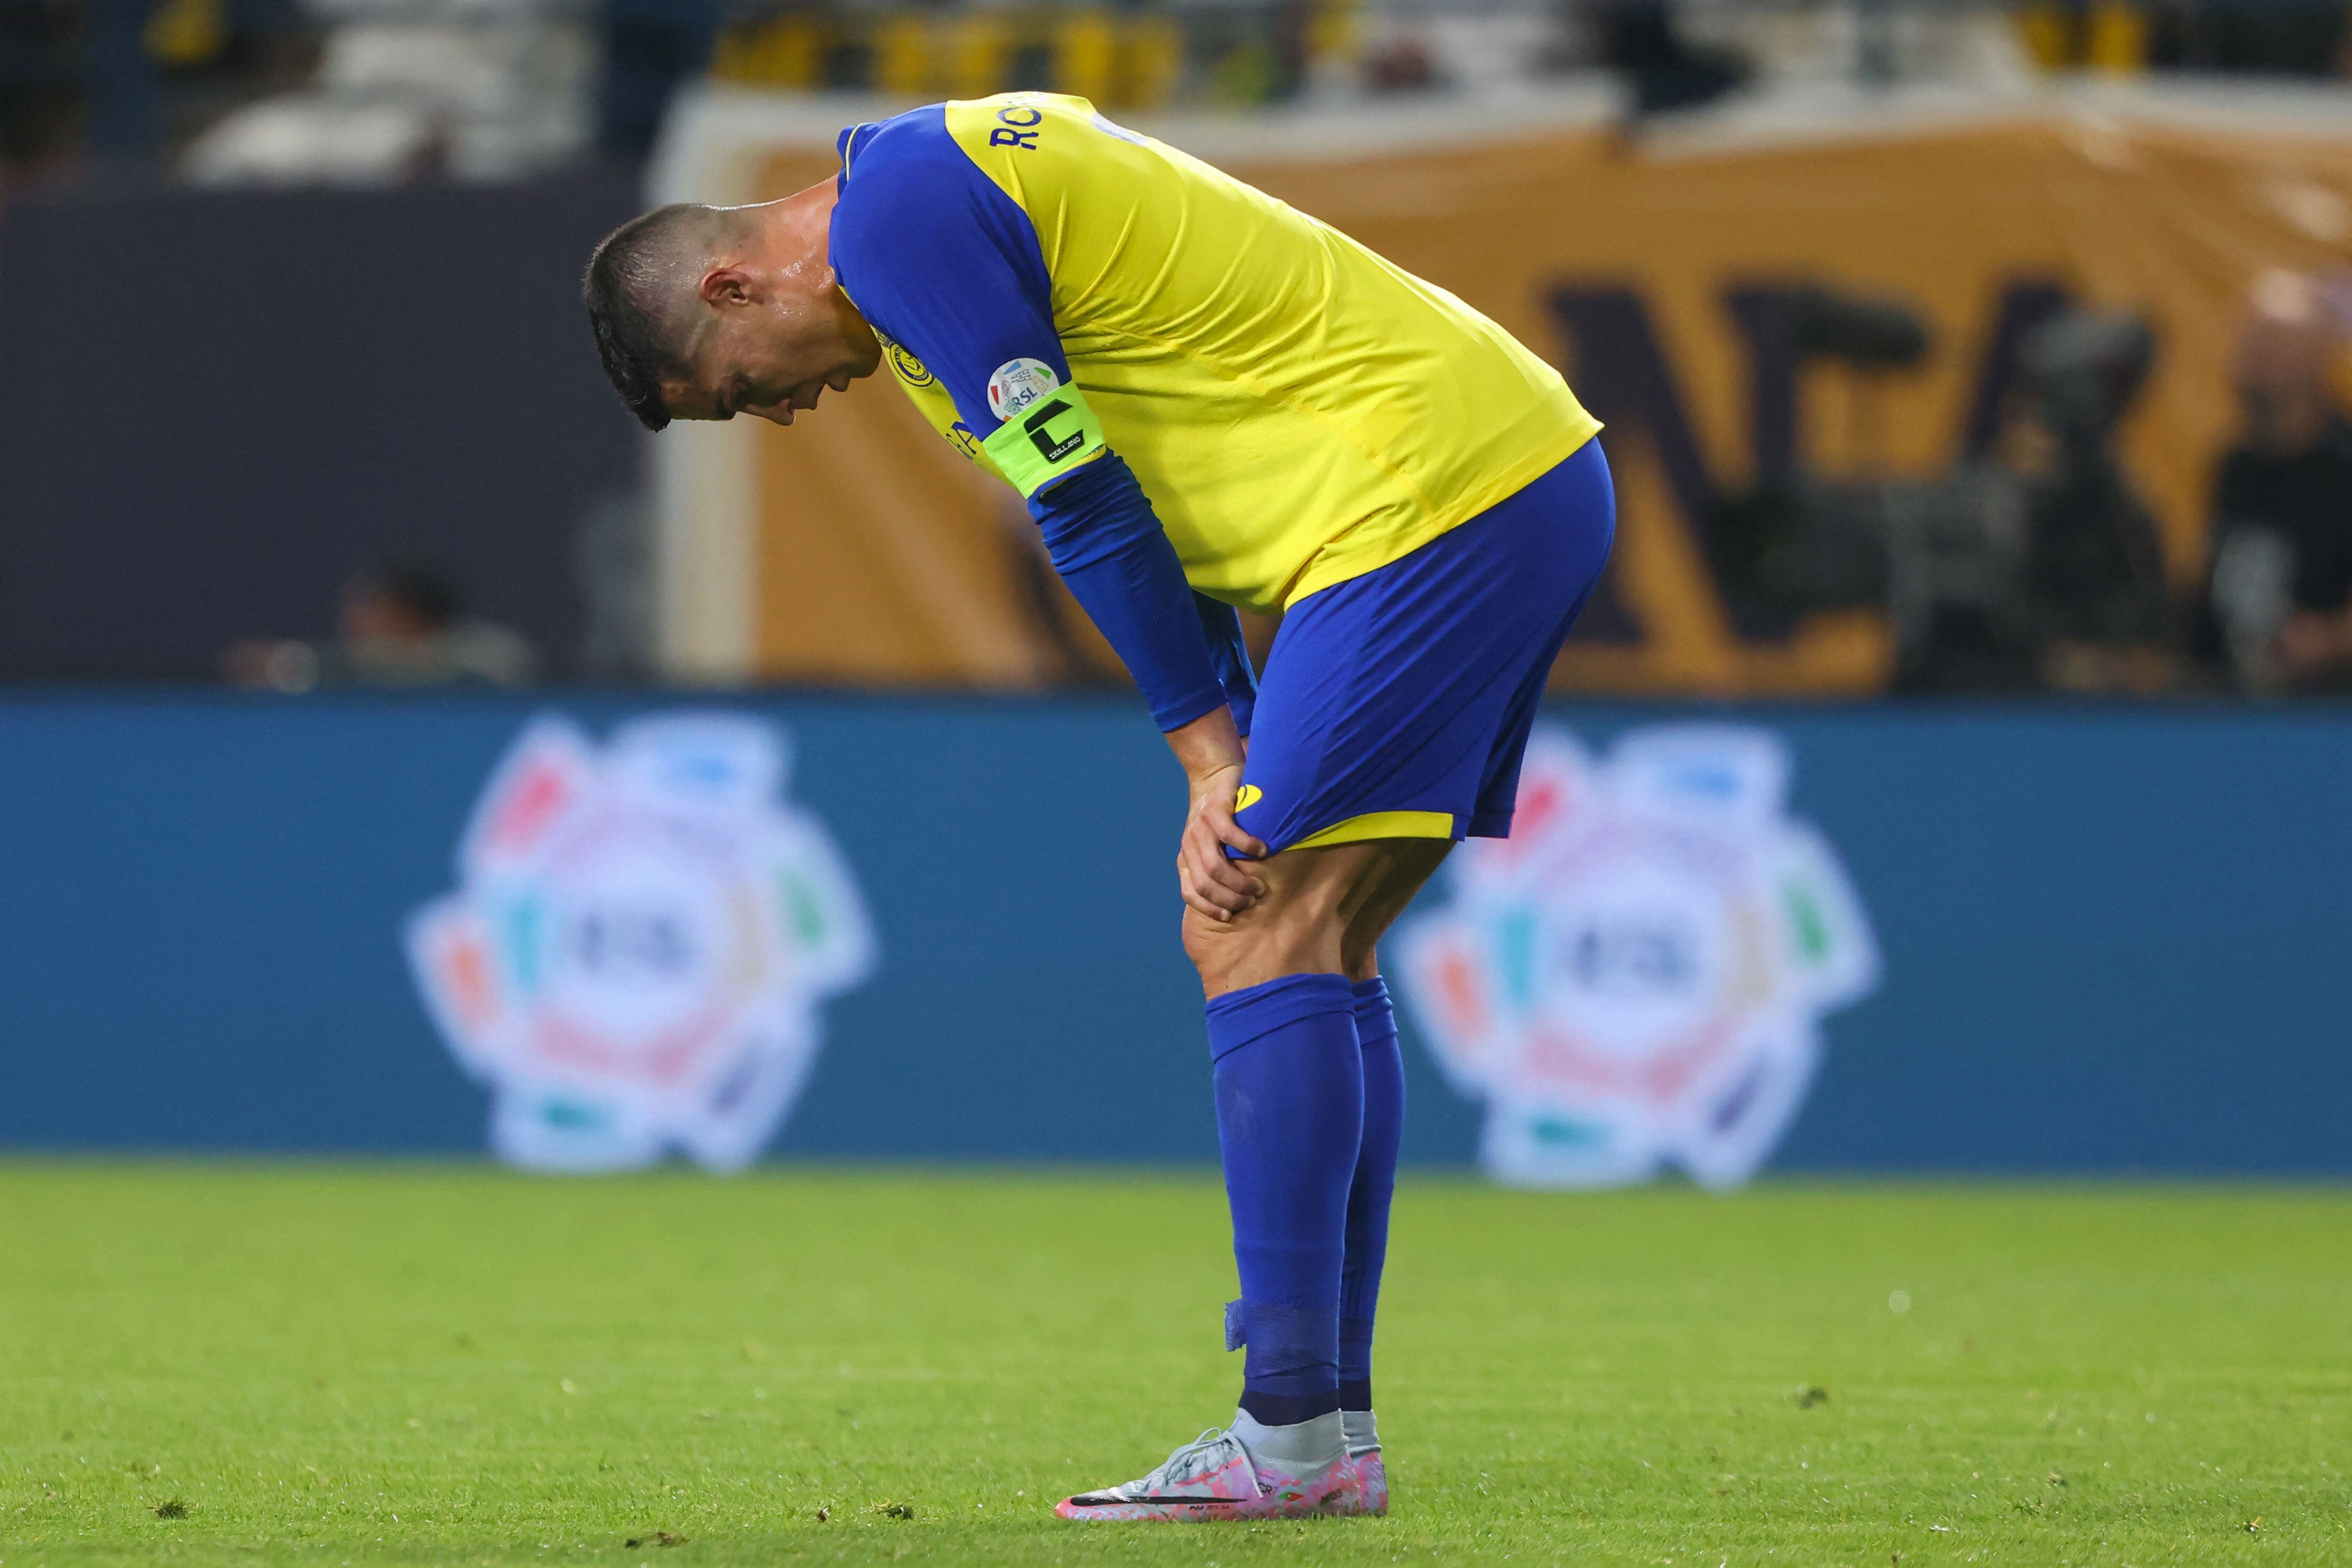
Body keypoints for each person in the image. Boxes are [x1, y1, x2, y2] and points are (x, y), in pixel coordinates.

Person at [581, 91, 1613, 1523]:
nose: (785, 409)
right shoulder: (929, 210)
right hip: (1481, 474)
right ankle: (1325, 1430)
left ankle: (1291, 1431)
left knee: (1251, 924)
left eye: (745, 383)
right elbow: (1147, 467)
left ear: (732, 282)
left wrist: (1207, 755)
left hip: (1422, 498)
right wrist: (1228, 732)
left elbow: (1085, 501)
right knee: (1316, 934)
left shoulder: (904, 222)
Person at [2196, 274, 2352, 693]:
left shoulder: (2342, 469)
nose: (2253, 360)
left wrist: (2329, 640)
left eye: (2271, 346)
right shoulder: (2235, 466)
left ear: (2313, 360)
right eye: (2250, 343)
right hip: (2235, 704)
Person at [226, 559, 537, 690]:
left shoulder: (489, 652)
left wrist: (294, 665)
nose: (356, 627)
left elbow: (441, 667)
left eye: (373, 612)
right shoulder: (360, 677)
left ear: (409, 614)